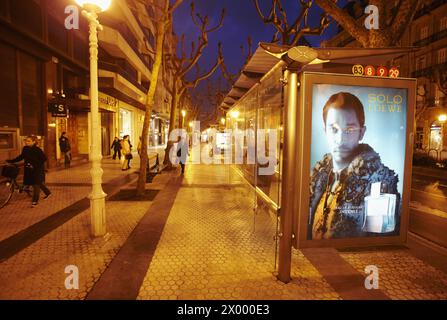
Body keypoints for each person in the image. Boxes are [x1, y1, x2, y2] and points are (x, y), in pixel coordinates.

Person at [309, 92, 399, 240]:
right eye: (334, 129)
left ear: (362, 133)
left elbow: (379, 240)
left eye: (349, 130)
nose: (340, 139)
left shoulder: (379, 182)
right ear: (325, 131)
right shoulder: (318, 177)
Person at [7, 135, 51, 207]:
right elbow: (21, 157)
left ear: (34, 142)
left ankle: (35, 201)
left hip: (37, 169)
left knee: (36, 185)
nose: (26, 142)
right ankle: (48, 193)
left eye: (29, 141)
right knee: (37, 183)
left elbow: (44, 159)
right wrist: (11, 161)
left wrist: (35, 165)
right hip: (28, 169)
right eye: (26, 141)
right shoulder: (25, 148)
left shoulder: (38, 150)